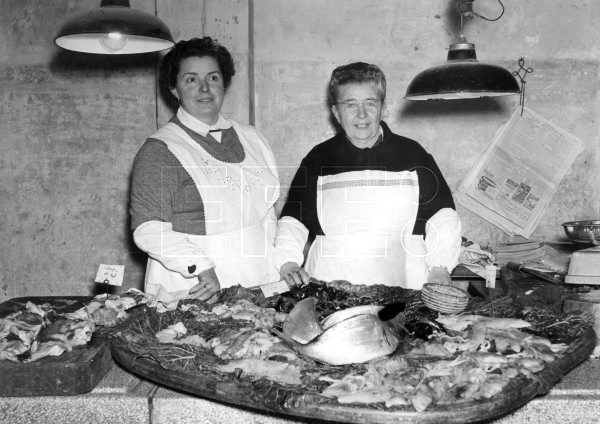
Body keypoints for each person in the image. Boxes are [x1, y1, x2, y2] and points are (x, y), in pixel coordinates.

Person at [275, 62, 462, 289]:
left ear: (383, 108)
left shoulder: (413, 155)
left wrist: (440, 267)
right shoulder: (318, 159)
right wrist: (288, 262)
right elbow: (294, 219)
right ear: (336, 112)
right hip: (330, 285)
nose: (361, 114)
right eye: (350, 105)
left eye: (370, 103)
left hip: (404, 286)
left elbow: (441, 215)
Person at [130, 37, 281, 310]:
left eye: (213, 77)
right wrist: (199, 265)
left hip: (259, 283)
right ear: (174, 88)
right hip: (196, 288)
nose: (204, 88)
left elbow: (268, 214)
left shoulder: (253, 138)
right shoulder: (161, 149)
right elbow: (148, 229)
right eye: (191, 79)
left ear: (224, 83)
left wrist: (281, 266)